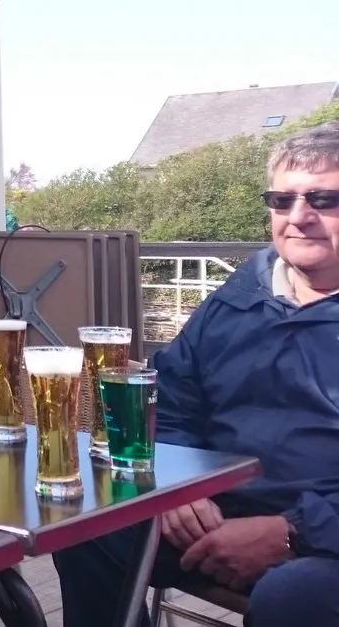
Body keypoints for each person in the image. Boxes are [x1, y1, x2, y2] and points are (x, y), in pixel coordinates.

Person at [52, 122, 339, 626]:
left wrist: (295, 531)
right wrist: (178, 485)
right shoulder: (242, 294)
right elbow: (171, 401)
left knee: (293, 599)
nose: (299, 217)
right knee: (85, 527)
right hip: (214, 507)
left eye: (324, 199)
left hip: (322, 539)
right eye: (282, 200)